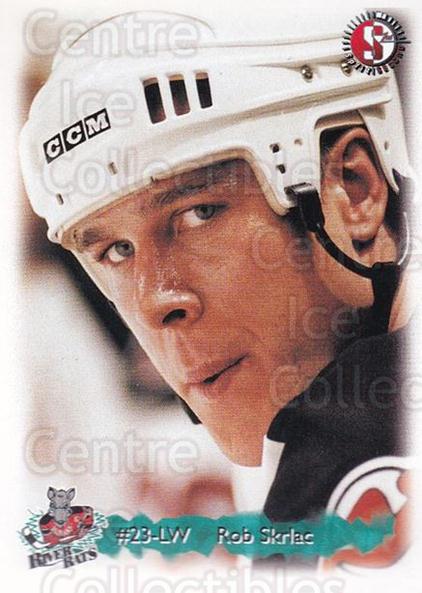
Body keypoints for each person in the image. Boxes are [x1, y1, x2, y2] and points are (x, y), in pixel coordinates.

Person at [20, 8, 414, 570]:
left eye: (200, 213)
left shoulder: (349, 454)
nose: (156, 303)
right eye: (115, 251)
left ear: (354, 191)